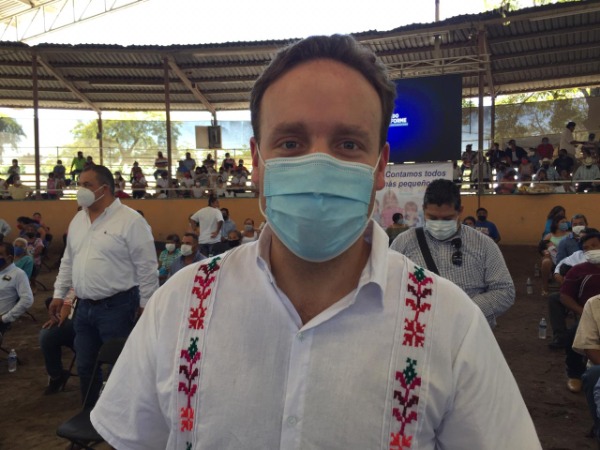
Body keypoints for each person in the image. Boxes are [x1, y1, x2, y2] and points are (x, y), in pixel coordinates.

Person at [91, 35, 539, 449]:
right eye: (291, 142)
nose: (319, 165)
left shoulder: (452, 325)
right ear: (257, 162)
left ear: (380, 165)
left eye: (348, 144)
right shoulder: (178, 305)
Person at [50, 164, 159, 408]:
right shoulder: (78, 219)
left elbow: (147, 267)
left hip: (118, 307)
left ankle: (122, 416)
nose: (81, 190)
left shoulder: (130, 221)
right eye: (79, 184)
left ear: (105, 188)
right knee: (86, 365)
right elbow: (68, 260)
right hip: (84, 308)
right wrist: (59, 294)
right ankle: (90, 415)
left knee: (120, 366)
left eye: (87, 185)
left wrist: (146, 304)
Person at [392, 179, 514, 328]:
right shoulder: (404, 243)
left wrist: (463, 310)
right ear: (423, 210)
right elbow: (388, 287)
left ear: (460, 211)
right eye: (432, 217)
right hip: (418, 333)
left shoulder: (484, 245)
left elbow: (505, 291)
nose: (439, 224)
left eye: (447, 218)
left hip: (470, 333)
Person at [560, 232, 600, 393]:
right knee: (574, 333)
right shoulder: (577, 271)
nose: (590, 250)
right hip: (589, 314)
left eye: (594, 246)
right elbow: (565, 296)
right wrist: (583, 312)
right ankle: (575, 374)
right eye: (586, 248)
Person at [39, 288, 76, 395]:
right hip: (73, 316)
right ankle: (56, 376)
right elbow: (70, 292)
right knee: (48, 335)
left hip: (105, 312)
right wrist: (59, 314)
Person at [0, 242, 34, 339]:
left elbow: (27, 299)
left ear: (9, 258)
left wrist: (5, 318)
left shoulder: (18, 274)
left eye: (0, 254)